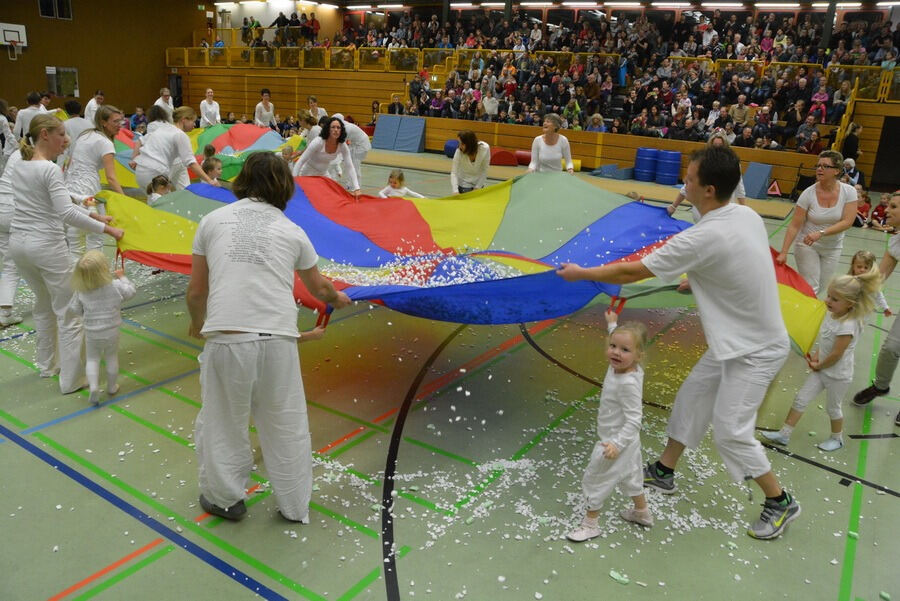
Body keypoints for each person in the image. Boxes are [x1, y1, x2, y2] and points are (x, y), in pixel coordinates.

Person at [557, 146, 801, 540]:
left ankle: (780, 501)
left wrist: (582, 273)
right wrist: (700, 279)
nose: (682, 185)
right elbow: (738, 261)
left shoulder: (705, 235)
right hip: (732, 342)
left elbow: (633, 269)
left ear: (709, 190)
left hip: (755, 350)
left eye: (689, 180)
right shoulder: (745, 215)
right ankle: (665, 471)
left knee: (731, 431)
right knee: (691, 400)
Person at [186, 151, 352, 522]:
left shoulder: (212, 221)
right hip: (279, 338)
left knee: (225, 420)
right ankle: (294, 505)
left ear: (243, 180)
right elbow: (319, 286)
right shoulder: (292, 231)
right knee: (284, 421)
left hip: (229, 338)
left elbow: (197, 292)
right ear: (284, 187)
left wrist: (197, 323)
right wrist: (337, 298)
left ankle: (226, 499)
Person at [8, 114, 124, 394]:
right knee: (69, 313)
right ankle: (72, 380)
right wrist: (107, 230)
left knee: (44, 306)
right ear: (45, 135)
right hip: (46, 246)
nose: (67, 140)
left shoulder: (20, 163)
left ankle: (48, 365)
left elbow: (53, 203)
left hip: (19, 245)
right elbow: (65, 213)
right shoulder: (48, 169)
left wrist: (91, 214)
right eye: (61, 134)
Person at [762, 272, 880, 451]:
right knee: (801, 398)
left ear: (850, 304)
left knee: (833, 408)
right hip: (822, 370)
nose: (828, 301)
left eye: (835, 299)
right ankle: (785, 433)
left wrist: (819, 364)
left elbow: (836, 354)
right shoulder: (832, 314)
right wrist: (817, 356)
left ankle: (837, 438)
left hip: (838, 375)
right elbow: (826, 342)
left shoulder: (848, 325)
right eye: (829, 296)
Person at [566, 310, 653, 543]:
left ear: (638, 355)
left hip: (616, 441)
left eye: (625, 350)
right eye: (613, 346)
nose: (616, 352)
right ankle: (642, 513)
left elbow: (635, 419)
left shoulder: (627, 383)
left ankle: (590, 524)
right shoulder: (621, 365)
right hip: (628, 443)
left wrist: (616, 443)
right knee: (631, 475)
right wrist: (612, 324)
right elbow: (620, 338)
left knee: (597, 478)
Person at [776, 150, 857, 296]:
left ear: (836, 171)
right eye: (818, 165)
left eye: (825, 166)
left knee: (820, 288)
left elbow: (847, 222)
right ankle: (800, 318)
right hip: (807, 245)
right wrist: (784, 252)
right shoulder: (808, 194)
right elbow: (795, 225)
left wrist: (821, 233)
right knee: (811, 287)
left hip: (833, 247)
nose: (819, 169)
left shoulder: (849, 192)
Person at [851, 190, 900, 428]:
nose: (886, 211)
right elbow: (879, 277)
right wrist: (855, 294)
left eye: (893, 207)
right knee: (891, 348)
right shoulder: (896, 241)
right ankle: (881, 386)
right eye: (888, 206)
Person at [68, 251, 136, 405]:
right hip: (112, 330)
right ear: (104, 268)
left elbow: (75, 309)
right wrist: (122, 277)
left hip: (92, 332)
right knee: (111, 357)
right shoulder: (115, 286)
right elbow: (131, 292)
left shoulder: (81, 291)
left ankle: (93, 387)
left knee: (92, 359)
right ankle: (112, 387)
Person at [64, 105, 126, 263]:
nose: (119, 124)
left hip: (71, 189)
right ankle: (95, 275)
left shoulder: (86, 135)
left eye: (121, 121)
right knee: (95, 236)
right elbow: (111, 177)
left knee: (75, 238)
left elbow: (70, 162)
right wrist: (125, 200)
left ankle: (75, 278)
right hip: (88, 190)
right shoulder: (105, 142)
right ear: (103, 122)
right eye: (115, 121)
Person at [133, 106, 219, 191]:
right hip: (154, 173)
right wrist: (209, 180)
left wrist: (134, 158)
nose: (194, 124)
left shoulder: (164, 128)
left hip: (140, 171)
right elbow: (191, 163)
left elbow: (140, 141)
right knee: (164, 202)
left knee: (157, 201)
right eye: (193, 121)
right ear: (184, 120)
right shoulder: (180, 134)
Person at [667, 132, 747, 222]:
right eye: (715, 145)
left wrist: (743, 209)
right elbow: (687, 186)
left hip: (724, 211)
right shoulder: (702, 163)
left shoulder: (734, 164)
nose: (717, 148)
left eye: (720, 145)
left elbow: (739, 188)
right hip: (702, 210)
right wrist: (673, 206)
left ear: (725, 146)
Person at [292, 117, 360, 198]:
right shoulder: (318, 142)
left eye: (338, 128)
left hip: (323, 174)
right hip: (308, 173)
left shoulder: (342, 145)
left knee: (332, 197)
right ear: (328, 129)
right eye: (333, 127)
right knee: (308, 198)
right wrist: (294, 181)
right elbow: (301, 161)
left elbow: (350, 166)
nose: (336, 130)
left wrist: (357, 188)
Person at [0, 137, 23, 327]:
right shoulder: (37, 160)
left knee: (9, 263)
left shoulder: (16, 153)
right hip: (13, 210)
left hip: (1, 208)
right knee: (13, 264)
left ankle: (4, 312)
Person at [331, 113, 370, 190]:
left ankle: (356, 187)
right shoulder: (343, 126)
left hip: (361, 145)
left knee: (355, 166)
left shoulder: (346, 128)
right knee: (348, 164)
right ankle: (349, 184)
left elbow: (340, 143)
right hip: (354, 144)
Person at [450, 130, 490, 194]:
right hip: (464, 183)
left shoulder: (484, 149)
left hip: (478, 182)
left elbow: (484, 170)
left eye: (462, 144)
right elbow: (454, 172)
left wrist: (478, 187)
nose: (460, 146)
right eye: (459, 143)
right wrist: (455, 191)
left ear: (470, 144)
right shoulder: (458, 152)